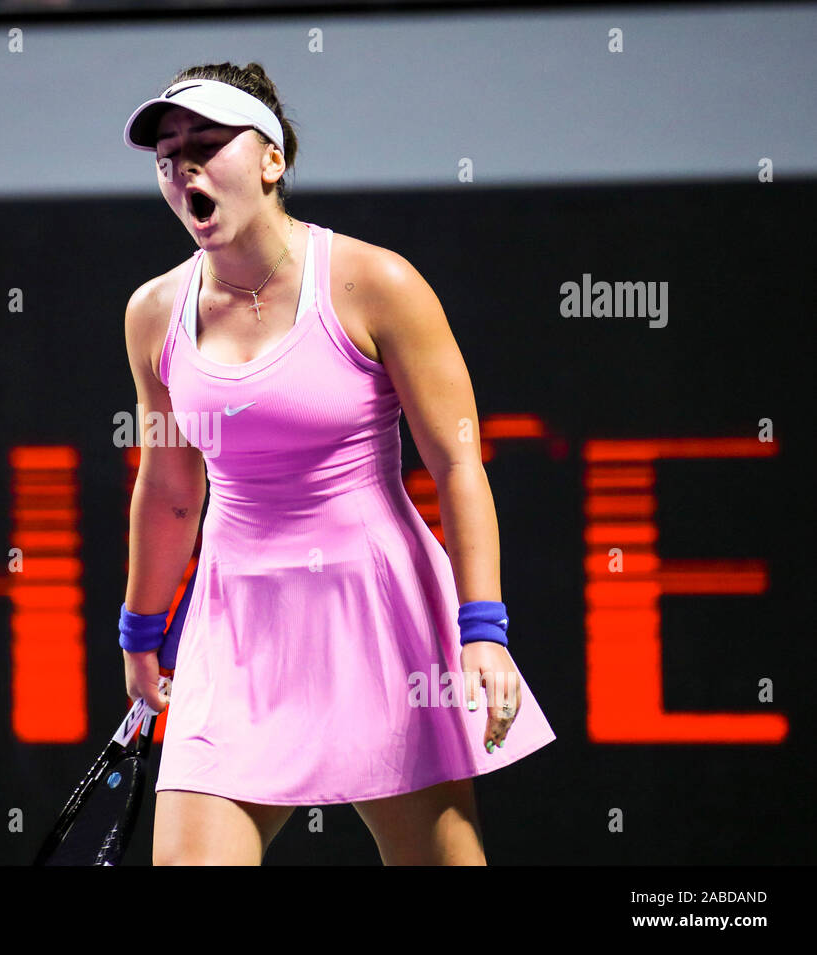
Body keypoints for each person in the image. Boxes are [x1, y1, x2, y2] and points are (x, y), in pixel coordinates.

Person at [118, 62, 556, 865]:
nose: (184, 168)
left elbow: (458, 464)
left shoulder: (376, 283)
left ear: (272, 160)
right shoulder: (154, 313)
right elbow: (171, 489)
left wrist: (483, 628)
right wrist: (140, 628)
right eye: (167, 155)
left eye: (207, 145)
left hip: (378, 613)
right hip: (235, 627)